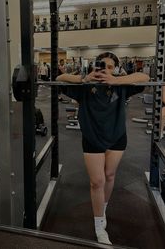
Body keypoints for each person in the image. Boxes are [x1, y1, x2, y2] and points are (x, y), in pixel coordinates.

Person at [56, 52, 149, 245]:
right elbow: (59, 78)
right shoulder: (84, 86)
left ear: (114, 68)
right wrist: (83, 78)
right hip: (93, 137)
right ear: (93, 67)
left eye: (109, 67)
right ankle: (99, 225)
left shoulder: (121, 86)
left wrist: (116, 81)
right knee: (96, 182)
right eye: (101, 66)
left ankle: (102, 208)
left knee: (109, 176)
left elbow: (145, 77)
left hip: (117, 136)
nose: (104, 70)